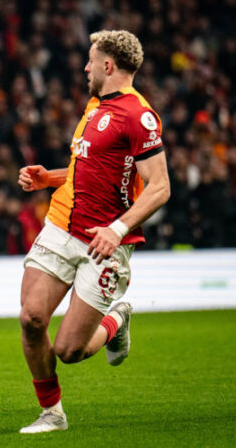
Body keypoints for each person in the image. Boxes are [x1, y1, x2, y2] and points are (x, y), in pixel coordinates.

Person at [16, 30, 171, 433]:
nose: (85, 68)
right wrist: (48, 178)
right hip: (61, 225)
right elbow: (89, 169)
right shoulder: (95, 105)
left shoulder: (139, 116)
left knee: (69, 350)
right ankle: (52, 414)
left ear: (107, 65)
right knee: (31, 318)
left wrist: (117, 229)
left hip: (105, 243)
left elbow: (160, 187)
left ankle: (116, 319)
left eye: (90, 60)